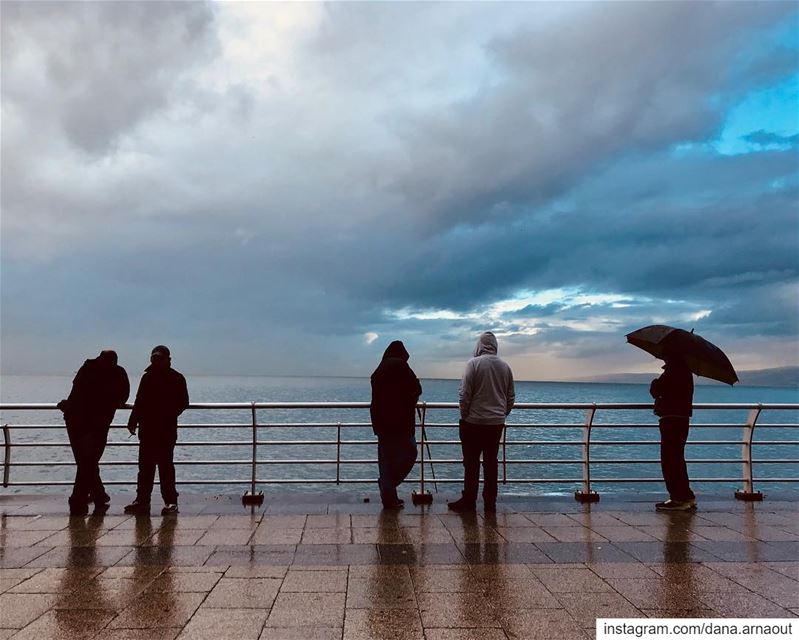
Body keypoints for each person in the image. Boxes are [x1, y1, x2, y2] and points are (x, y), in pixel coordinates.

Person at [449, 331, 515, 513]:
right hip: (495, 424)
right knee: (491, 463)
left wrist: (465, 416)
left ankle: (469, 500)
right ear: (495, 346)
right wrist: (502, 413)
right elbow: (510, 396)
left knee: (471, 463)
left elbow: (464, 394)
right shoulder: (505, 367)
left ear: (479, 345)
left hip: (473, 423)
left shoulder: (473, 364)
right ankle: (489, 502)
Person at [58, 350, 130, 516]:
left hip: (75, 420)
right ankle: (81, 497)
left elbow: (76, 392)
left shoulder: (88, 368)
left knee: (85, 461)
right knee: (88, 461)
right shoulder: (117, 372)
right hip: (96, 423)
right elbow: (123, 396)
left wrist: (68, 405)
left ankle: (95, 495)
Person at [124, 345, 189, 515]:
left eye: (159, 358)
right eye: (154, 358)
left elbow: (183, 402)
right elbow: (139, 401)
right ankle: (143, 500)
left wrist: (167, 412)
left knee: (165, 467)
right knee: (145, 467)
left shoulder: (176, 378)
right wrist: (133, 420)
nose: (156, 361)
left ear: (168, 359)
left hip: (165, 430)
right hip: (149, 429)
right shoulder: (147, 378)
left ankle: (170, 502)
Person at [370, 340, 422, 509]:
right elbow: (415, 389)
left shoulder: (380, 369)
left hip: (382, 423)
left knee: (385, 461)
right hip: (401, 422)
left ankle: (388, 494)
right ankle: (388, 486)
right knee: (410, 453)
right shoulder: (401, 366)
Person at [650, 352, 696, 511]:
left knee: (670, 459)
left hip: (670, 419)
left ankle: (678, 497)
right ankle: (686, 495)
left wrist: (655, 382)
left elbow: (656, 390)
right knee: (677, 458)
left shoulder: (672, 371)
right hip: (682, 419)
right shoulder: (686, 372)